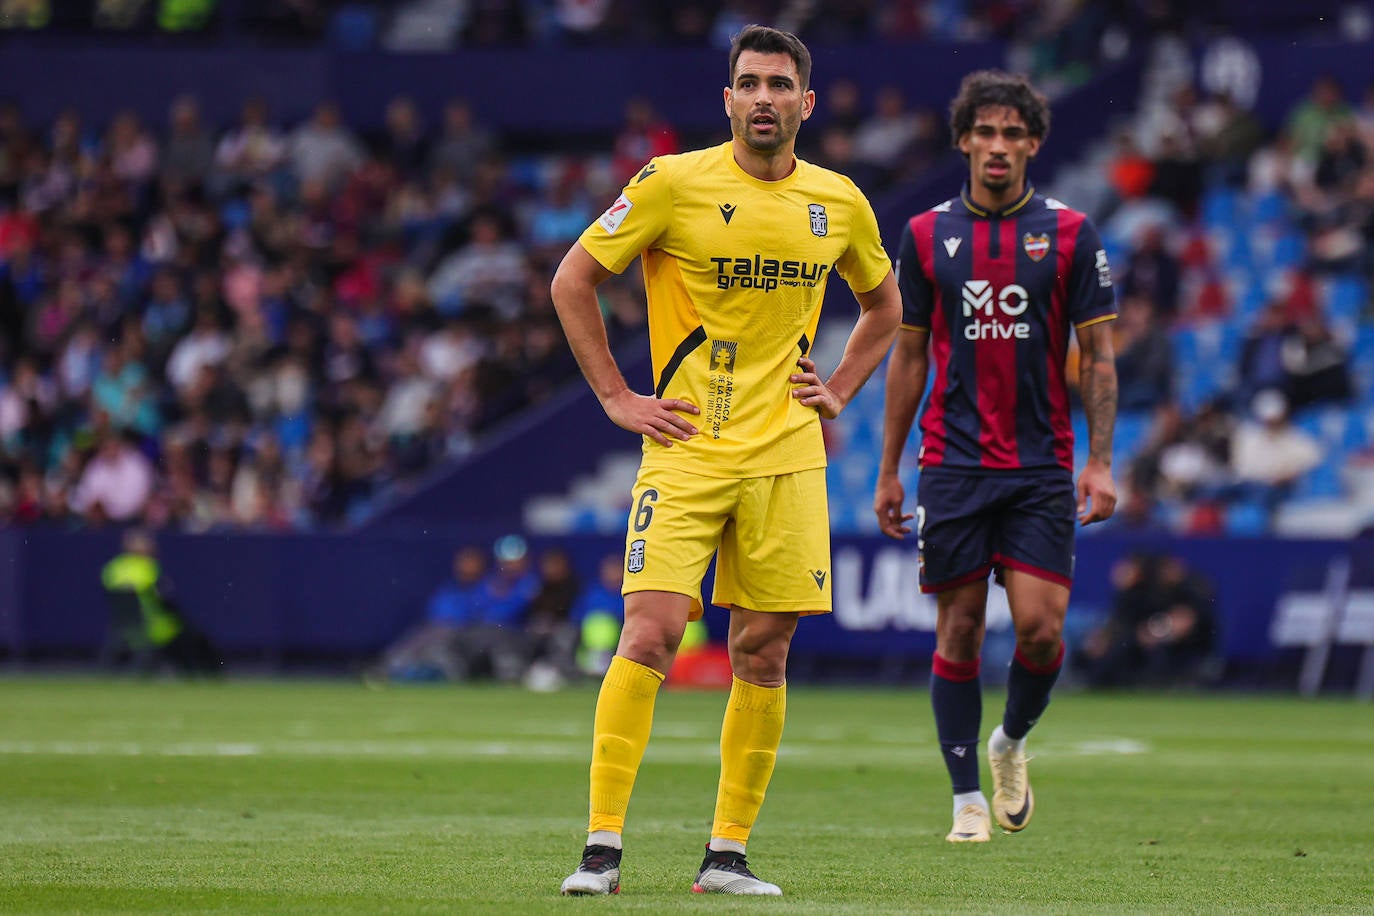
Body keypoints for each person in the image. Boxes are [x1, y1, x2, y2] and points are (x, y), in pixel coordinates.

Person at [550, 24, 901, 897]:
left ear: (806, 103)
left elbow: (886, 307)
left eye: (781, 85)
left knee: (764, 654)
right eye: (749, 84)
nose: (764, 99)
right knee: (651, 632)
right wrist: (617, 399)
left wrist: (843, 388)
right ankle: (600, 850)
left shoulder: (840, 202)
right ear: (727, 99)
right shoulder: (673, 182)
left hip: (787, 456)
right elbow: (571, 280)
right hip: (686, 447)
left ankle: (727, 856)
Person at [874, 70, 1118, 844]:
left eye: (1014, 133)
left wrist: (1102, 462)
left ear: (1034, 143)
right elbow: (907, 355)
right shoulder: (923, 236)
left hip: (1043, 465)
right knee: (960, 633)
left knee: (1043, 632)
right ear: (964, 141)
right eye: (985, 132)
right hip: (952, 464)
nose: (999, 146)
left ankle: (1009, 741)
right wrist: (888, 467)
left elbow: (1100, 356)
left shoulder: (1073, 234)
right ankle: (964, 800)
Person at [1075, 551, 1217, 689]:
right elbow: (1124, 622)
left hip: (1184, 647)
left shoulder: (1191, 588)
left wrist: (1156, 633)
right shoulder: (1133, 594)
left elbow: (1183, 622)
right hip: (1137, 641)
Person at [100, 527, 220, 675]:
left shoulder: (113, 568)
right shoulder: (149, 568)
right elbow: (165, 600)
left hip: (122, 626)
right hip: (153, 626)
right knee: (190, 634)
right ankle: (196, 675)